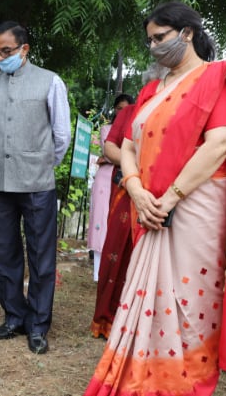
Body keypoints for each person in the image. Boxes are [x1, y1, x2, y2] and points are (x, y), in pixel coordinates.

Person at [84, 1, 226, 395]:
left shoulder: (217, 78)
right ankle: (144, 376)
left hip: (196, 205)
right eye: (149, 41)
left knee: (188, 300)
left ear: (188, 33)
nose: (154, 48)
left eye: (160, 38)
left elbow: (222, 141)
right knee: (149, 295)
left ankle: (184, 381)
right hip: (148, 205)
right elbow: (127, 146)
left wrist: (172, 195)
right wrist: (136, 189)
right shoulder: (150, 90)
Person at [0, 21, 71, 354]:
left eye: (6, 50)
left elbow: (61, 136)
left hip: (37, 183)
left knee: (41, 257)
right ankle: (14, 317)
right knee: (5, 254)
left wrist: (41, 163)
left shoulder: (50, 81)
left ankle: (38, 324)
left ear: (24, 49)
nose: (0, 56)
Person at [89, 95, 136, 339]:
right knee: (116, 246)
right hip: (126, 186)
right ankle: (109, 319)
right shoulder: (129, 117)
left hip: (167, 192)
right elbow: (109, 148)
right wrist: (138, 166)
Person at [86, 94, 134, 282]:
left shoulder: (136, 129)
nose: (123, 112)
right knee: (101, 222)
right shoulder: (107, 129)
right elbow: (110, 152)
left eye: (127, 109)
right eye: (119, 108)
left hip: (128, 179)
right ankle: (99, 272)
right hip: (107, 179)